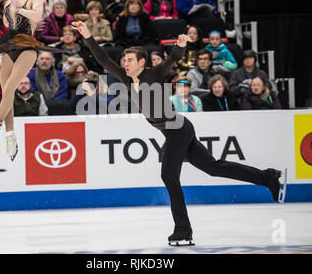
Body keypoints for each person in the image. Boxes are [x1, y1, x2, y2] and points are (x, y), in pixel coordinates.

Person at [73, 20, 285, 246]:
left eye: (130, 60)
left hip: (178, 129)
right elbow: (103, 59)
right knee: (214, 168)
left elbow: (172, 60)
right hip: (174, 130)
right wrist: (87, 35)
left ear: (142, 62)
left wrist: (180, 45)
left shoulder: (153, 74)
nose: (125, 63)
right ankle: (268, 177)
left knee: (169, 176)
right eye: (125, 60)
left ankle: (183, 230)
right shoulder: (126, 78)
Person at [0, 0, 63, 161]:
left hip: (28, 47)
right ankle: (10, 135)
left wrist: (19, 9)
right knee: (5, 90)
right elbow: (9, 26)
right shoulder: (10, 1)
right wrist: (14, 9)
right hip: (10, 47)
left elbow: (36, 16)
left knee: (10, 88)